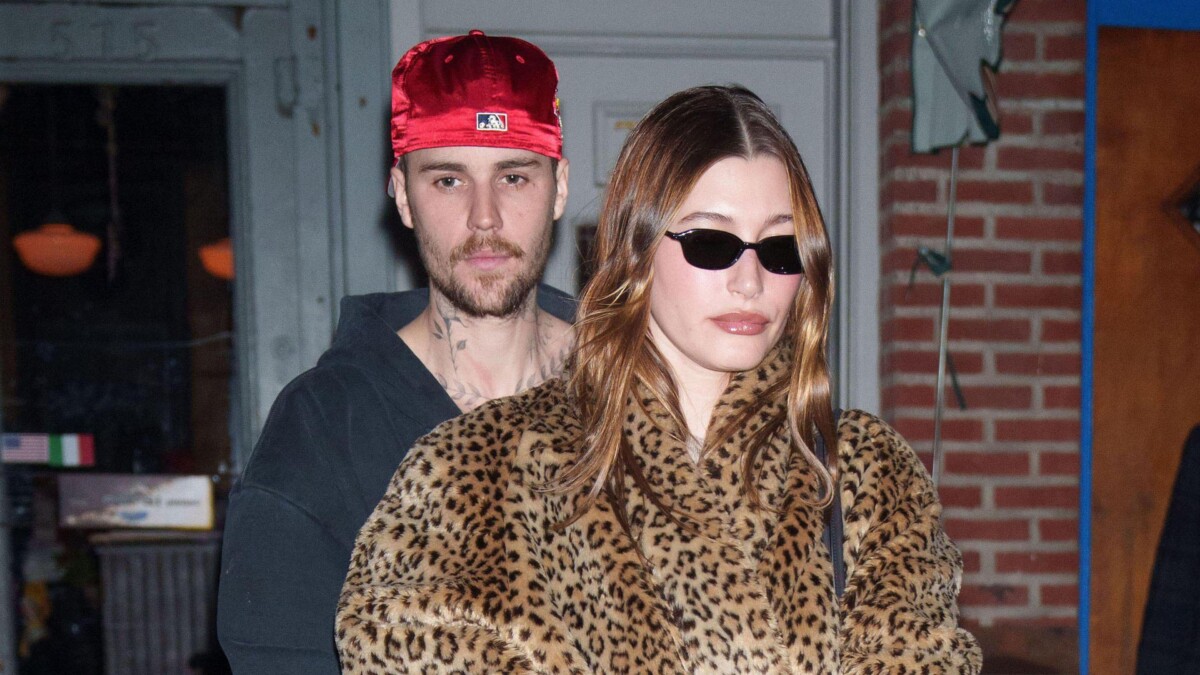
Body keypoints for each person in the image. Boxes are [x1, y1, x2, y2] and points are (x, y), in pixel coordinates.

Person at [336, 85, 982, 673]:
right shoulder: (477, 468)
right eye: (711, 243)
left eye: (780, 248)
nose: (750, 281)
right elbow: (398, 640)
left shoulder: (865, 470)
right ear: (638, 248)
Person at [217, 30, 572, 673]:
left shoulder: (638, 386)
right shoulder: (323, 425)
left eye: (514, 177)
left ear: (559, 189)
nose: (485, 217)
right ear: (404, 196)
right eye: (448, 180)